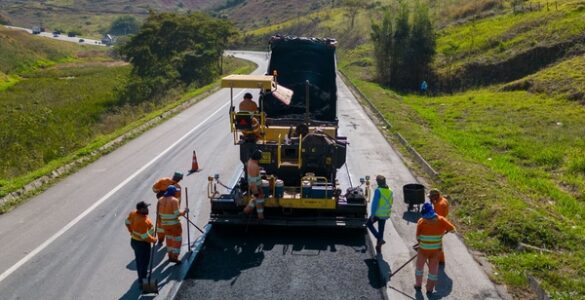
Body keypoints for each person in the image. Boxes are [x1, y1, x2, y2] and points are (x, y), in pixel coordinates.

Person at [414, 203, 455, 295]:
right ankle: (429, 289)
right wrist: (446, 231)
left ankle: (418, 285)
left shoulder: (421, 221)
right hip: (435, 251)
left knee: (419, 268)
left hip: (423, 250)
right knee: (433, 271)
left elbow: (418, 237)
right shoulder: (441, 220)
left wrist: (422, 243)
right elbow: (452, 229)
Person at [125, 201, 157, 288]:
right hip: (142, 244)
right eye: (145, 208)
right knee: (144, 263)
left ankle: (141, 279)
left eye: (147, 207)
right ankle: (143, 282)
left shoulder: (133, 214)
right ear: (140, 209)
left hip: (134, 241)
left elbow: (127, 222)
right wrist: (154, 240)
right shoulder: (143, 221)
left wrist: (131, 231)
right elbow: (144, 237)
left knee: (140, 262)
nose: (147, 209)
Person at [157, 185, 188, 263]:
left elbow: (159, 213)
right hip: (174, 224)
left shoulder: (160, 200)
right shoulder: (174, 200)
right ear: (173, 192)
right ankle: (175, 257)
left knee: (169, 239)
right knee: (177, 240)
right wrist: (185, 211)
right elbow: (177, 213)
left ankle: (170, 256)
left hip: (165, 225)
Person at [152, 172, 183, 243]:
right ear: (179, 180)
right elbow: (178, 201)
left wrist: (159, 192)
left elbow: (154, 188)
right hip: (171, 208)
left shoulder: (163, 180)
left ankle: (160, 239)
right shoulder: (178, 187)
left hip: (161, 205)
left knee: (160, 223)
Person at [367, 175, 393, 253]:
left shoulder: (378, 191)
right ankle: (379, 248)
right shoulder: (390, 191)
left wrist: (372, 215)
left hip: (378, 214)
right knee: (381, 230)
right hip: (385, 214)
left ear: (378, 182)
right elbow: (391, 202)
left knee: (368, 224)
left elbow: (374, 204)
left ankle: (379, 238)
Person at [429, 188, 450, 265]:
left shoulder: (439, 205)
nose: (430, 198)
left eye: (431, 197)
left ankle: (440, 259)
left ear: (435, 196)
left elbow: (438, 218)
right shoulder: (443, 200)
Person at [243, 149, 265, 219]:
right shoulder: (254, 166)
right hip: (256, 187)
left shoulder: (251, 161)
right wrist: (256, 192)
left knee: (256, 199)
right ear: (257, 158)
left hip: (257, 185)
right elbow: (253, 182)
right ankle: (260, 217)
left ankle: (246, 211)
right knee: (258, 201)